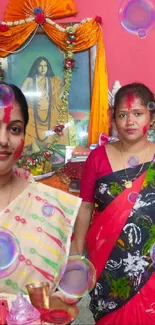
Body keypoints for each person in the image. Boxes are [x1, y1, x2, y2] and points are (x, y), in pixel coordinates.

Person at [71, 83, 155, 325]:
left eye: (137, 113)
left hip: (149, 266)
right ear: (113, 117)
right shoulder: (97, 158)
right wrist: (76, 254)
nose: (130, 121)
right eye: (122, 114)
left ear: (151, 115)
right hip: (107, 262)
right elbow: (85, 206)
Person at [0, 82, 81, 295]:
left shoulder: (51, 205)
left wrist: (62, 302)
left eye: (14, 129)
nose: (3, 140)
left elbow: (69, 282)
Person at [21, 56, 76, 149]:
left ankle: (52, 149)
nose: (43, 68)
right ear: (36, 67)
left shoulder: (53, 80)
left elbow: (60, 93)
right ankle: (33, 148)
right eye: (40, 66)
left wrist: (67, 71)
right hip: (33, 110)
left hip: (50, 111)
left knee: (62, 118)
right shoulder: (29, 80)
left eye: (45, 66)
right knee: (26, 118)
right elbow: (21, 96)